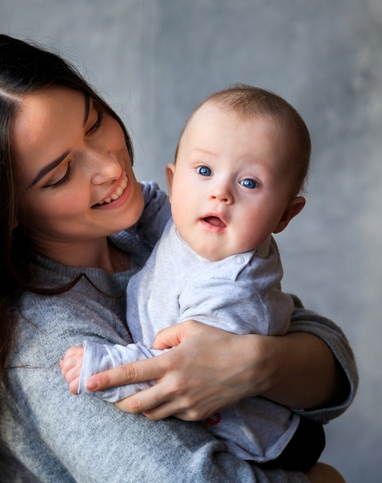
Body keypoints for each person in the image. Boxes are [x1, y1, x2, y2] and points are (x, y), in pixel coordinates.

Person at [0, 31, 357, 483]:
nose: (108, 166)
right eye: (60, 174)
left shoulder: (148, 233)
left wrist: (256, 363)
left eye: (94, 122)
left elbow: (326, 353)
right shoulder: (52, 351)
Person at [61, 85, 325, 471]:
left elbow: (176, 370)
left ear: (285, 215)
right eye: (203, 171)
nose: (219, 193)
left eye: (249, 183)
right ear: (174, 182)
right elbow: (151, 209)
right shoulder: (187, 223)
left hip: (257, 442)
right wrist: (122, 196)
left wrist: (104, 364)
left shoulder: (233, 290)